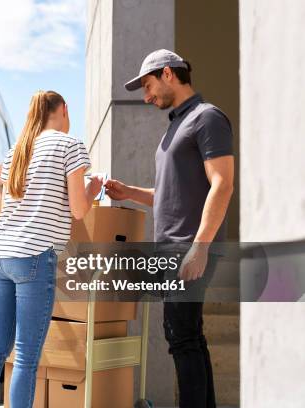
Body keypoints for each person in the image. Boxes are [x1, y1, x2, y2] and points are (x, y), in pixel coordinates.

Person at [106, 49, 234, 408]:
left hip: (188, 250)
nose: (146, 97)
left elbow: (223, 183)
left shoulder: (206, 118)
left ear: (167, 74)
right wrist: (129, 192)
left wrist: (200, 246)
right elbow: (168, 195)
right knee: (189, 338)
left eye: (147, 86)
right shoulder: (176, 127)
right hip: (171, 250)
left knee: (180, 337)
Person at [0, 90, 102, 408]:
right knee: (27, 357)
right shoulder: (69, 145)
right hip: (33, 256)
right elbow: (78, 209)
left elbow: (10, 202)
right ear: (64, 109)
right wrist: (93, 188)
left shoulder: (16, 150)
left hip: (0, 256)